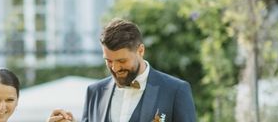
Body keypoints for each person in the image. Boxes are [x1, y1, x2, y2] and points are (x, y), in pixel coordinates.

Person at [48, 18, 196, 122]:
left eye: (121, 61)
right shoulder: (94, 92)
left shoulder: (175, 91)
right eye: (109, 61)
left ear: (141, 51)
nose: (115, 68)